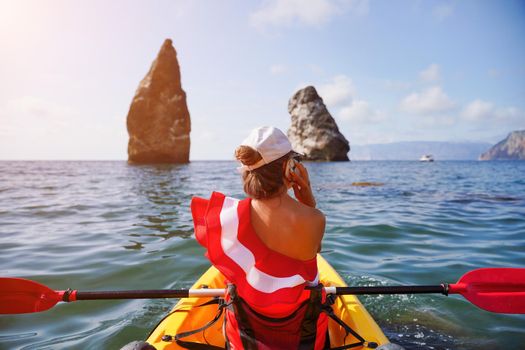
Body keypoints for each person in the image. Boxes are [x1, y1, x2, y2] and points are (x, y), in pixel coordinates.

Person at [191, 126, 328, 349]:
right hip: (301, 332)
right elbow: (315, 250)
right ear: (288, 167)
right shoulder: (314, 219)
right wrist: (308, 199)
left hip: (245, 333)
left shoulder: (227, 217)